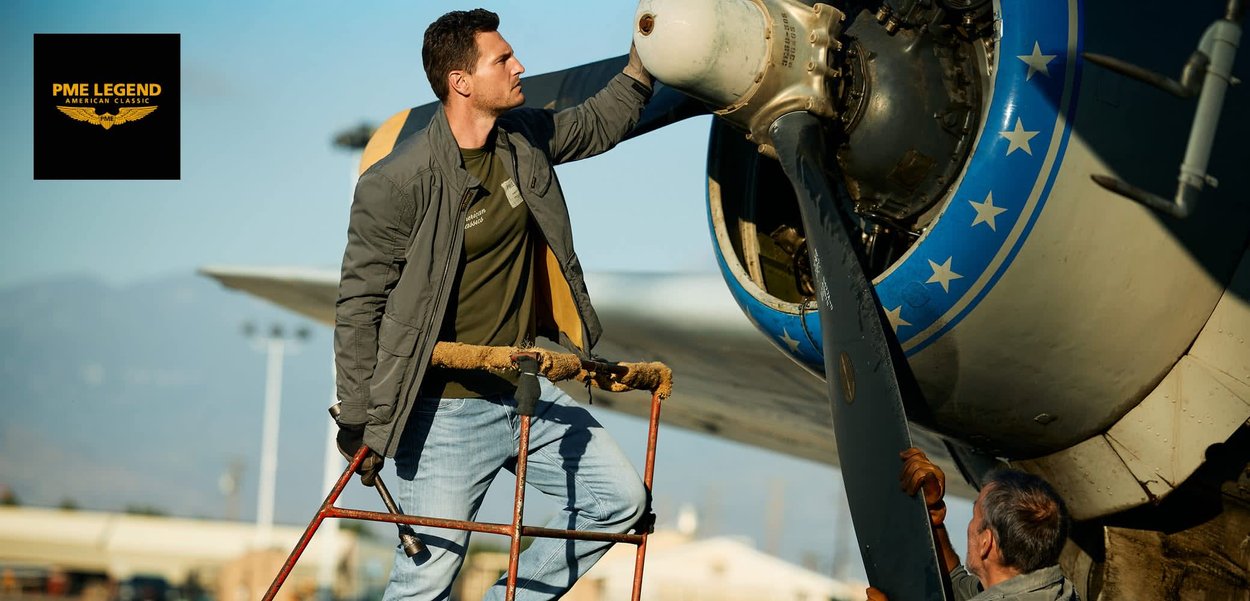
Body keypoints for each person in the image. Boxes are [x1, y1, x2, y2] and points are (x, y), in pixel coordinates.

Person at [332, 8, 654, 601]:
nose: (519, 65)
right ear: (461, 82)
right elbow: (358, 306)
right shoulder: (396, 182)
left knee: (620, 501)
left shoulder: (523, 139)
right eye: (502, 59)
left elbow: (596, 123)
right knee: (426, 577)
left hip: (525, 386)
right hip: (443, 412)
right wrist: (358, 417)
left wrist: (644, 65)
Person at [867, 448, 1080, 600]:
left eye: (974, 514)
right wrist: (931, 514)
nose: (969, 526)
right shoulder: (1055, 589)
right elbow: (955, 586)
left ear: (986, 542)